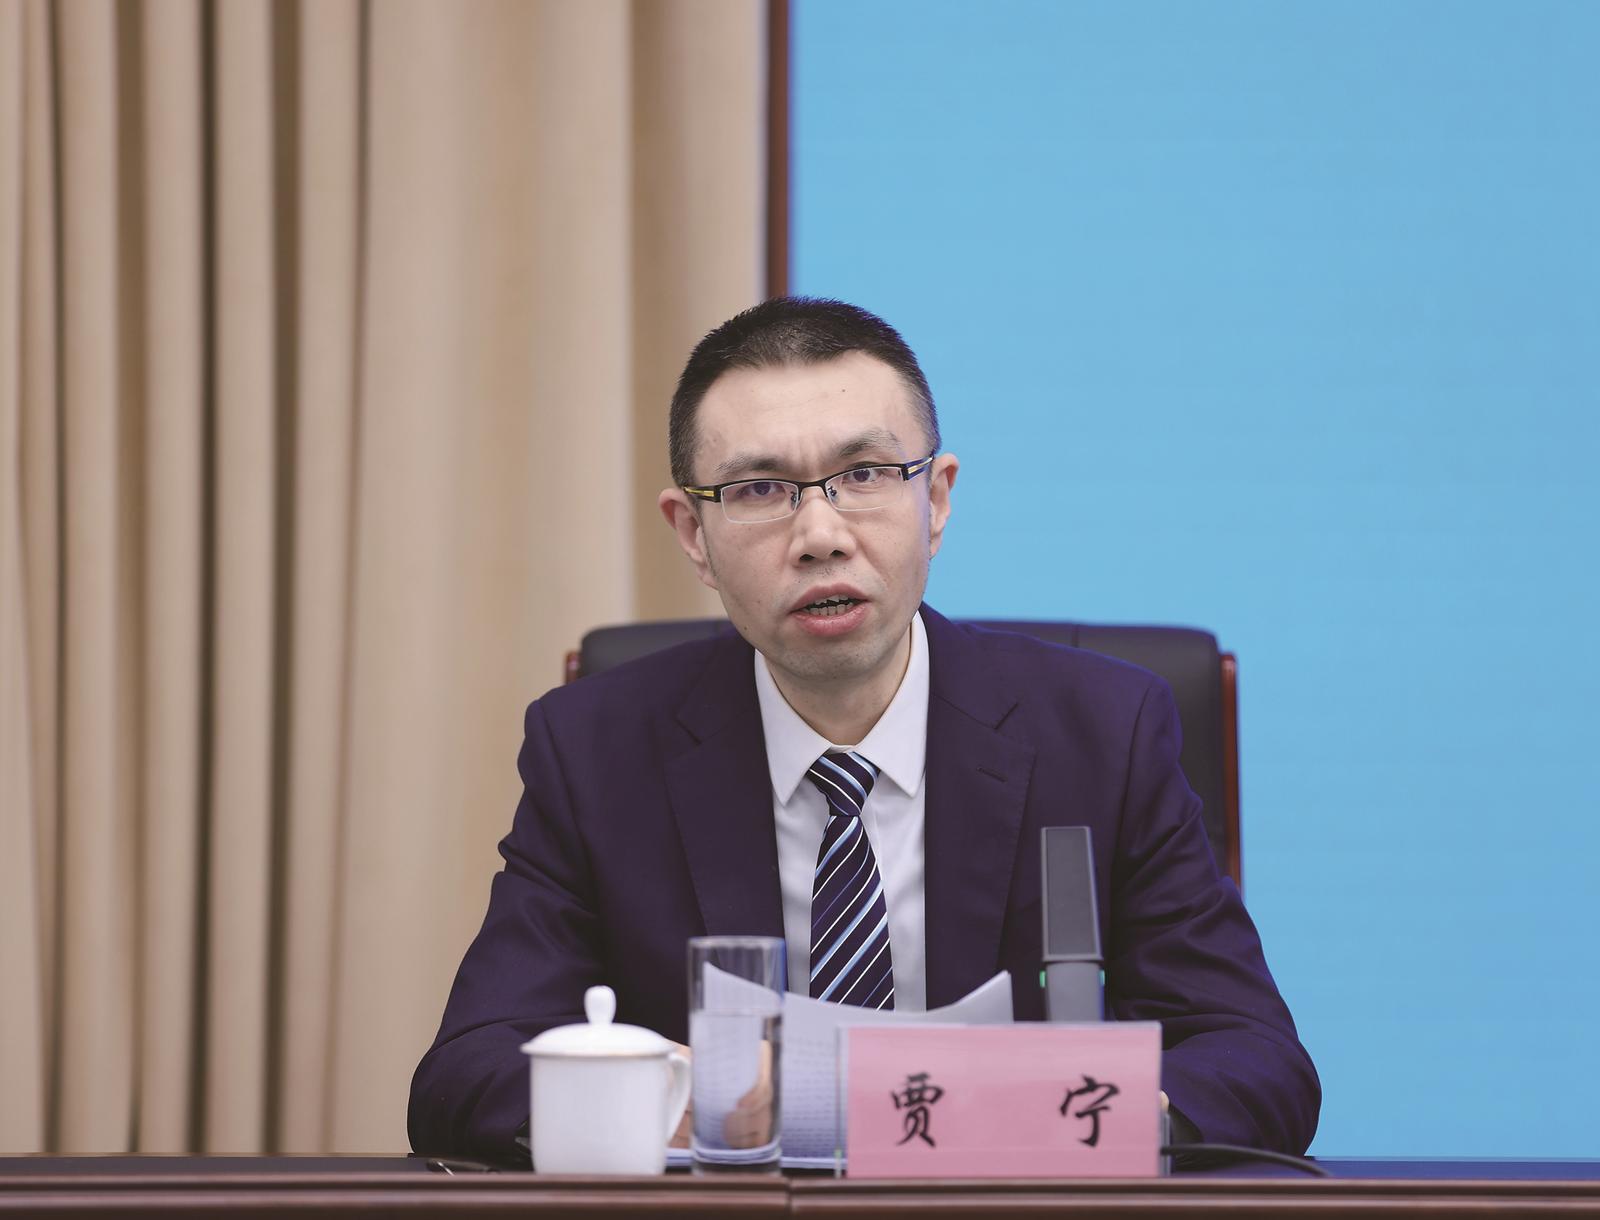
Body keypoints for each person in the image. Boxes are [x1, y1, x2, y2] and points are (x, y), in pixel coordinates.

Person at [408, 297, 1320, 1163]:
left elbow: (1255, 1059)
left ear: (937, 500)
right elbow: (466, 1073)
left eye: (865, 476)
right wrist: (668, 1102)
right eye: (759, 488)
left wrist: (1085, 1115)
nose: (820, 534)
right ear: (692, 534)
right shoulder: (597, 751)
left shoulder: (1104, 734)